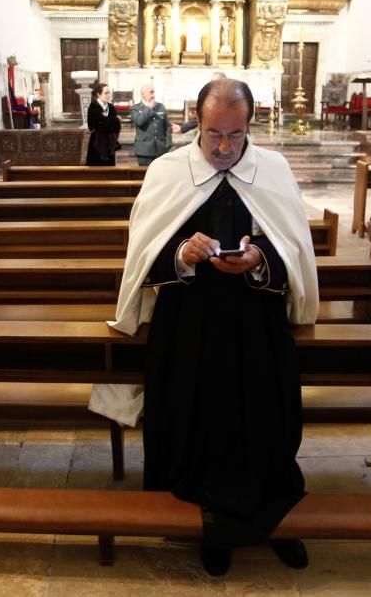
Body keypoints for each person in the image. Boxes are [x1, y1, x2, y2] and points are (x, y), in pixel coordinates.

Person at [89, 79, 318, 576]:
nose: (222, 147)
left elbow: (295, 250)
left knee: (265, 425)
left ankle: (274, 521)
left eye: (235, 136)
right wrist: (181, 256)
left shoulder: (273, 171)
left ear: (250, 126)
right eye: (214, 133)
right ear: (196, 118)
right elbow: (143, 256)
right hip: (187, 329)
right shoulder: (168, 171)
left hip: (257, 329)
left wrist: (261, 259)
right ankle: (209, 528)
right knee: (198, 425)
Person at [130, 84, 172, 166]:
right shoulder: (135, 108)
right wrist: (148, 108)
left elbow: (167, 126)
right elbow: (139, 122)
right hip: (144, 150)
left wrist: (168, 144)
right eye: (151, 92)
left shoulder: (161, 106)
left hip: (160, 149)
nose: (153, 95)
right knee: (144, 175)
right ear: (143, 94)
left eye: (153, 92)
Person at [86, 83, 122, 166]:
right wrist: (115, 119)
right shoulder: (93, 106)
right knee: (97, 170)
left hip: (110, 143)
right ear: (98, 94)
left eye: (109, 93)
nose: (109, 95)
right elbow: (95, 125)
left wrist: (108, 120)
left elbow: (117, 126)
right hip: (97, 143)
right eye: (106, 93)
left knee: (110, 171)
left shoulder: (111, 107)